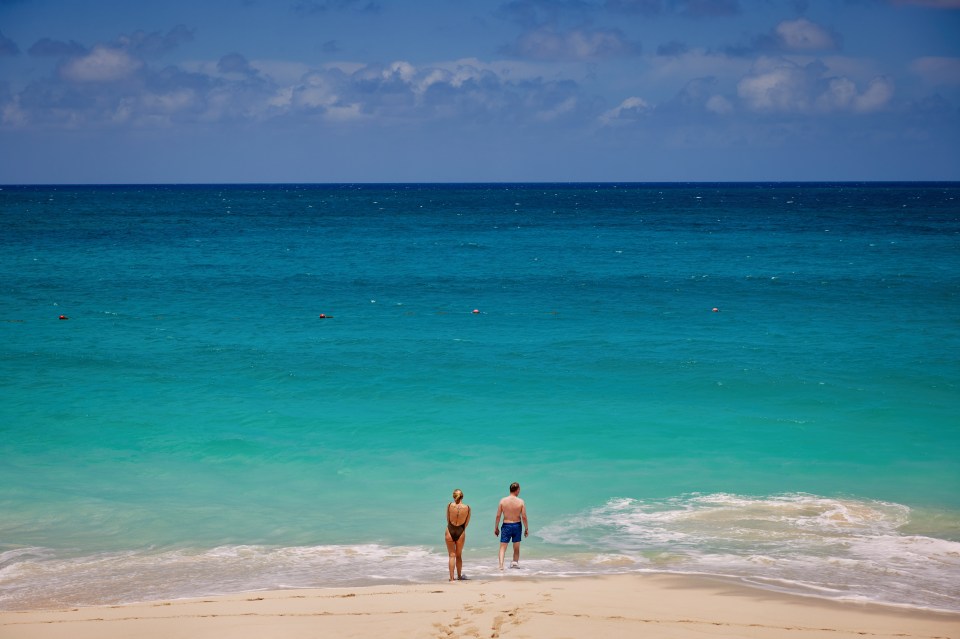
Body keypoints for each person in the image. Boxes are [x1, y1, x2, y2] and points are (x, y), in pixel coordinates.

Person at [493, 482, 528, 570]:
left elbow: (498, 516)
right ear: (517, 490)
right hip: (517, 525)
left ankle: (501, 566)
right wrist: (526, 528)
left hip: (506, 525)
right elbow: (524, 517)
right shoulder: (521, 501)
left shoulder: (503, 501)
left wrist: (496, 527)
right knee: (516, 547)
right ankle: (515, 564)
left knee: (502, 547)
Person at [445, 488, 471, 581]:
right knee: (459, 555)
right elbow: (466, 523)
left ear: (453, 496)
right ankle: (459, 576)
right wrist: (460, 529)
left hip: (450, 530)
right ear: (462, 496)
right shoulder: (467, 508)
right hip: (461, 531)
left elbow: (448, 519)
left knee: (452, 555)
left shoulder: (449, 505)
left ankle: (451, 578)